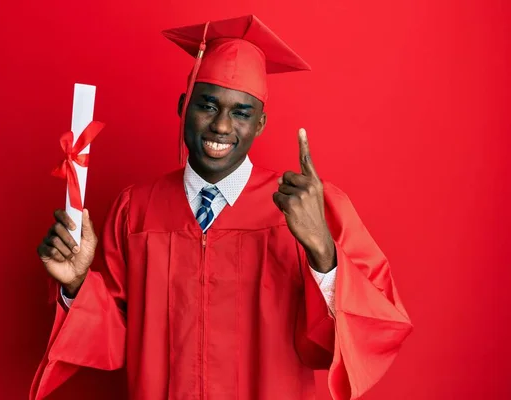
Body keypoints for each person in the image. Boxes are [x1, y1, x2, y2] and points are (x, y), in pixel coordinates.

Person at [31, 15, 412, 400]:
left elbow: (368, 328)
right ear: (183, 107)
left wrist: (323, 252)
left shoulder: (309, 207)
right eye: (208, 106)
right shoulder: (136, 210)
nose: (222, 126)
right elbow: (113, 338)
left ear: (260, 123)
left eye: (241, 112)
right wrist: (77, 284)